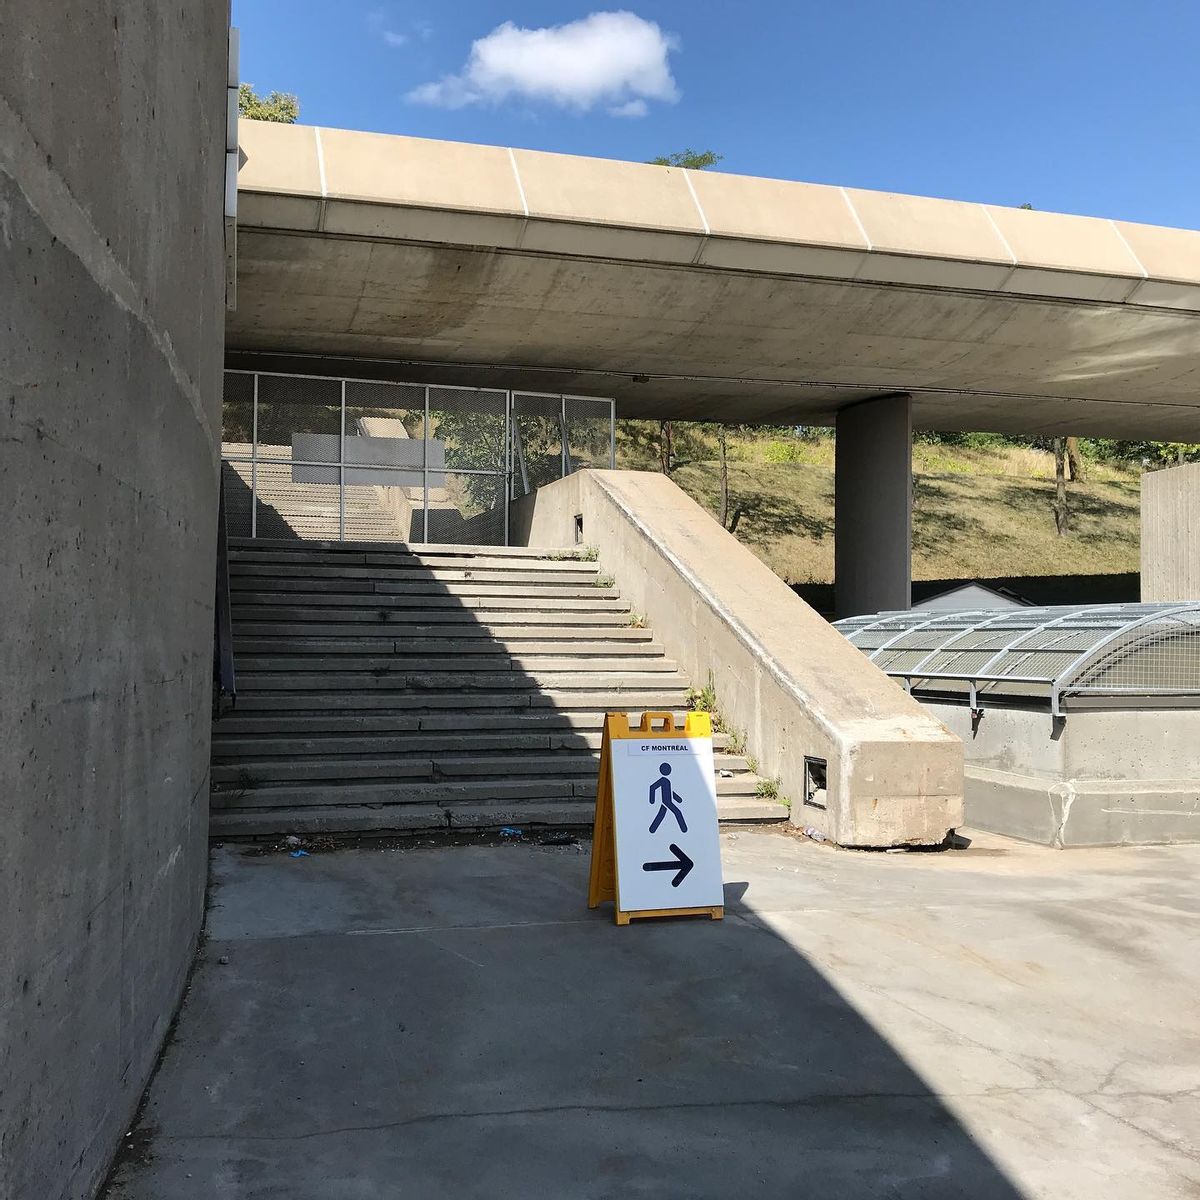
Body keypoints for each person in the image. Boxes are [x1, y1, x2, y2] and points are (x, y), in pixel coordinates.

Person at [649, 762, 687, 833]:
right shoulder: (663, 780)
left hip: (667, 802)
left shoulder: (667, 780)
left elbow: (669, 791)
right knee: (677, 812)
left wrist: (678, 799)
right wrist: (652, 800)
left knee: (661, 815)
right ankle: (684, 829)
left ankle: (652, 829)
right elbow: (652, 787)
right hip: (667, 802)